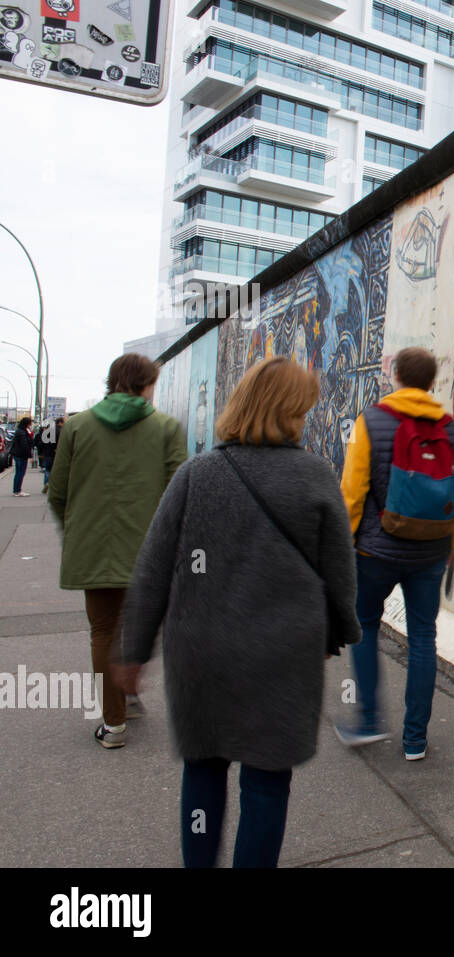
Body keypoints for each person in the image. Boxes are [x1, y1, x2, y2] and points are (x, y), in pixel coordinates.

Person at [119, 356, 359, 868]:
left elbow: (152, 569)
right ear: (291, 412)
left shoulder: (195, 475)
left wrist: (132, 651)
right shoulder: (315, 477)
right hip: (281, 658)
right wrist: (336, 633)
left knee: (203, 774)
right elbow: (340, 575)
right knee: (268, 785)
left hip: (201, 655)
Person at [336, 347, 454, 761]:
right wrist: (451, 545)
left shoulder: (371, 420)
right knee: (423, 639)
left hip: (375, 552)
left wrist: (344, 547)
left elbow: (352, 493)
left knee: (363, 626)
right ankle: (415, 740)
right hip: (430, 551)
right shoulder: (449, 428)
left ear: (394, 376)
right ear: (433, 382)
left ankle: (369, 722)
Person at [47, 355, 186, 747]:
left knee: (103, 632)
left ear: (112, 382)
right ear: (146, 385)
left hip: (93, 546)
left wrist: (77, 530)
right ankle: (128, 691)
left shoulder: (76, 426)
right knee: (140, 625)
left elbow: (58, 492)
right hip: (149, 553)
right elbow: (180, 494)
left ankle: (113, 724)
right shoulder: (165, 428)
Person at [35, 416, 63, 493]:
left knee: (47, 469)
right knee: (55, 470)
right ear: (59, 423)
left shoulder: (47, 431)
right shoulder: (60, 431)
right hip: (56, 453)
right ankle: (53, 485)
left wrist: (40, 452)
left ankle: (46, 483)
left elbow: (41, 443)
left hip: (47, 453)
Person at [10, 416, 34, 496]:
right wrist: (30, 455)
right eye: (30, 423)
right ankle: (17, 491)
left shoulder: (20, 431)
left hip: (18, 454)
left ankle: (16, 490)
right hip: (21, 455)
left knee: (19, 473)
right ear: (27, 424)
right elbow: (25, 445)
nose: (30, 425)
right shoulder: (22, 432)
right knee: (20, 473)